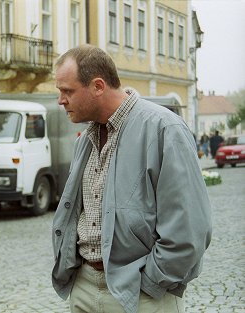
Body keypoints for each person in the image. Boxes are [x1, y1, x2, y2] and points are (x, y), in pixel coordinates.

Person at [51, 44, 212, 313]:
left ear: (98, 86)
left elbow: (191, 228)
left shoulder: (164, 129)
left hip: (141, 294)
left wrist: (150, 283)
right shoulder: (86, 139)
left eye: (67, 91)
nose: (60, 100)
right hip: (84, 288)